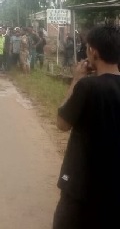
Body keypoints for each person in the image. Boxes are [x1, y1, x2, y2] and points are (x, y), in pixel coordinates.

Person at [52, 25, 120, 229]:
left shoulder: (87, 87)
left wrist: (76, 79)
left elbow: (62, 123)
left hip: (82, 184)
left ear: (94, 52)